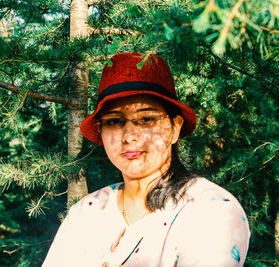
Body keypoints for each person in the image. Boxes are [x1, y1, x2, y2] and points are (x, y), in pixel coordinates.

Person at [42, 52, 250, 267]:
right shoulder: (87, 212)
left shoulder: (209, 210)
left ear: (174, 127)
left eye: (147, 119)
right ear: (101, 132)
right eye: (114, 121)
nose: (129, 135)